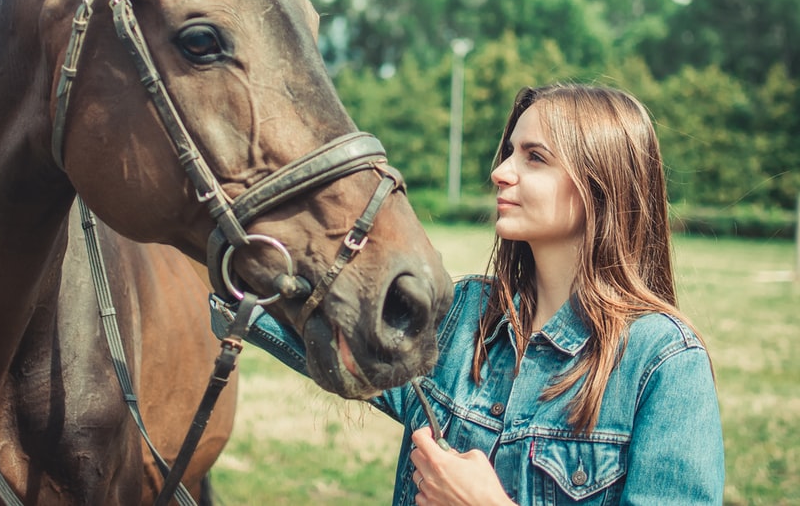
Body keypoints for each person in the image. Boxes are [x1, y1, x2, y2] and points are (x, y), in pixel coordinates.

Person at [212, 83, 725, 505]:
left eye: (536, 158)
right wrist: (206, 249)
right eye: (509, 153)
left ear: (601, 186)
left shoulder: (663, 363)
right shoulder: (466, 315)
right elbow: (319, 319)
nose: (500, 172)